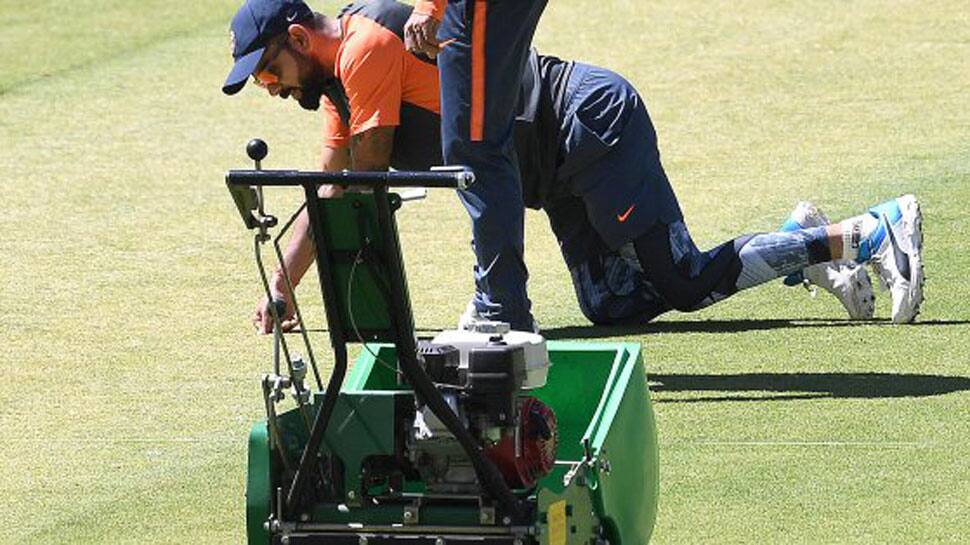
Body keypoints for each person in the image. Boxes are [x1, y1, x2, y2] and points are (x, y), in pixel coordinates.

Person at [221, 0, 924, 334]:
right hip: (554, 175)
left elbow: (360, 182)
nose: (274, 89)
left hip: (590, 129)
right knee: (611, 307)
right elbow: (331, 194)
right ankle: (800, 239)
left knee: (680, 281)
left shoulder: (364, 51)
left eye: (270, 74)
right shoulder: (338, 91)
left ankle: (863, 233)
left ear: (297, 37)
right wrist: (282, 283)